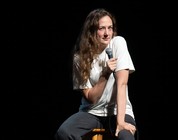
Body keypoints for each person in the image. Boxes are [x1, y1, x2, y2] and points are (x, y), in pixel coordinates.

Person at [54, 8, 137, 140]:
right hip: (92, 112)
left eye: (110, 28)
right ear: (91, 30)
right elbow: (90, 98)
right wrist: (105, 74)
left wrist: (120, 123)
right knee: (64, 132)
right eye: (101, 28)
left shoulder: (118, 43)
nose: (107, 33)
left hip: (118, 111)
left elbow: (122, 84)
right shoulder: (80, 57)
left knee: (126, 137)